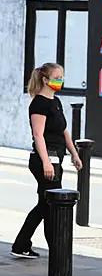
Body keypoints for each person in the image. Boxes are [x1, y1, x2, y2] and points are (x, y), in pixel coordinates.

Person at [11, 63, 83, 259]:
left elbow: (63, 131)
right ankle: (49, 247)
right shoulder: (39, 103)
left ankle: (24, 244)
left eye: (62, 76)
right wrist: (46, 162)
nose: (60, 80)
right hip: (44, 159)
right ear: (45, 79)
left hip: (56, 159)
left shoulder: (56, 102)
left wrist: (75, 154)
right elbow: (38, 135)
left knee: (47, 202)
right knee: (50, 203)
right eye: (56, 77)